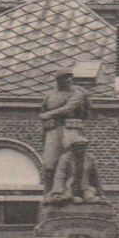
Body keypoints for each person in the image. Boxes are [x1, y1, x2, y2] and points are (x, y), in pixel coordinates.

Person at [40, 72, 105, 204]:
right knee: (50, 163)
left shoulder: (78, 92)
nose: (69, 80)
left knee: (75, 158)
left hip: (71, 129)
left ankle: (79, 190)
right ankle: (50, 194)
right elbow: (42, 110)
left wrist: (49, 114)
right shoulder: (49, 95)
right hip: (53, 130)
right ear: (58, 80)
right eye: (65, 77)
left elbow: (70, 107)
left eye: (70, 77)